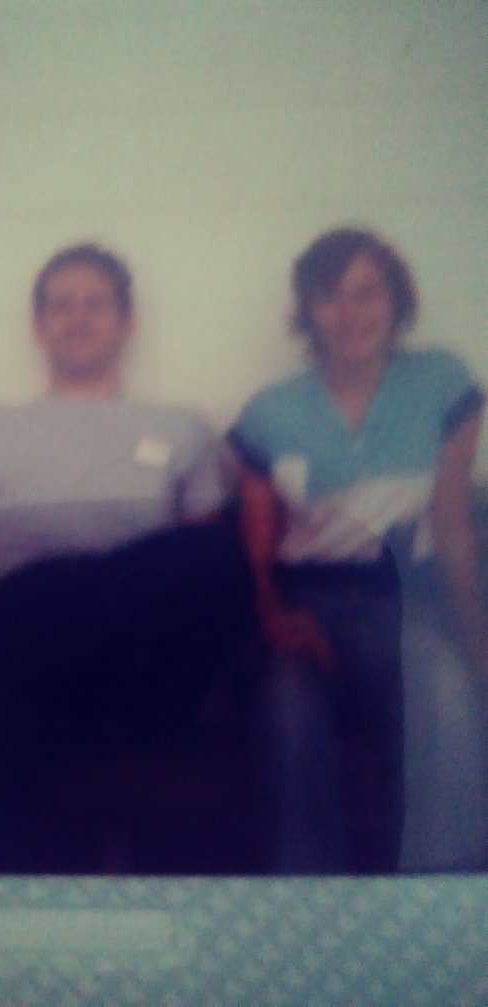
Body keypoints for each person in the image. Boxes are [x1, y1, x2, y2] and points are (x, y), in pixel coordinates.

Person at [0, 242, 249, 870]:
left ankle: (70, 591)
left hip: (139, 669)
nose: (78, 318)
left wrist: (89, 588)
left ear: (126, 323)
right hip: (21, 667)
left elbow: (206, 568)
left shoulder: (181, 426)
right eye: (62, 305)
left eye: (96, 304)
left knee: (220, 552)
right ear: (39, 325)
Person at [227, 227, 487, 873]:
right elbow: (254, 547)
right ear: (308, 311)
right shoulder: (269, 411)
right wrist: (271, 616)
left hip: (405, 601)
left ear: (396, 301)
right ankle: (308, 903)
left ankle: (446, 893)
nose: (350, 312)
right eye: (330, 296)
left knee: (445, 684)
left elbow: (451, 524)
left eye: (366, 292)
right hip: (303, 608)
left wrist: (477, 643)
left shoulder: (441, 382)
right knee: (284, 710)